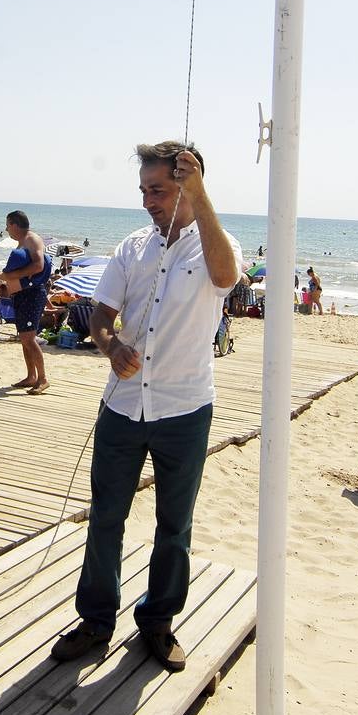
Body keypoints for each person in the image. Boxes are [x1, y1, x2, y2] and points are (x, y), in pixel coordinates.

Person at [50, 141, 241, 673]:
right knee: (105, 517)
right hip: (123, 406)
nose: (148, 201)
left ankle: (157, 622)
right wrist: (111, 347)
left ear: (188, 185)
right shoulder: (132, 248)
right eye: (144, 190)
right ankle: (95, 620)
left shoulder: (216, 246)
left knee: (174, 524)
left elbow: (226, 281)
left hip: (185, 408)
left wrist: (202, 199)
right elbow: (100, 315)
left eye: (157, 190)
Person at [0, 210, 52, 394]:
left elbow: (38, 266)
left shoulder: (32, 239)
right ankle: (31, 376)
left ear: (14, 225)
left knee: (28, 338)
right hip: (22, 294)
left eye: (7, 225)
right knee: (24, 338)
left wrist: (8, 276)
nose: (6, 229)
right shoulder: (22, 243)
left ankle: (42, 379)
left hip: (32, 294)